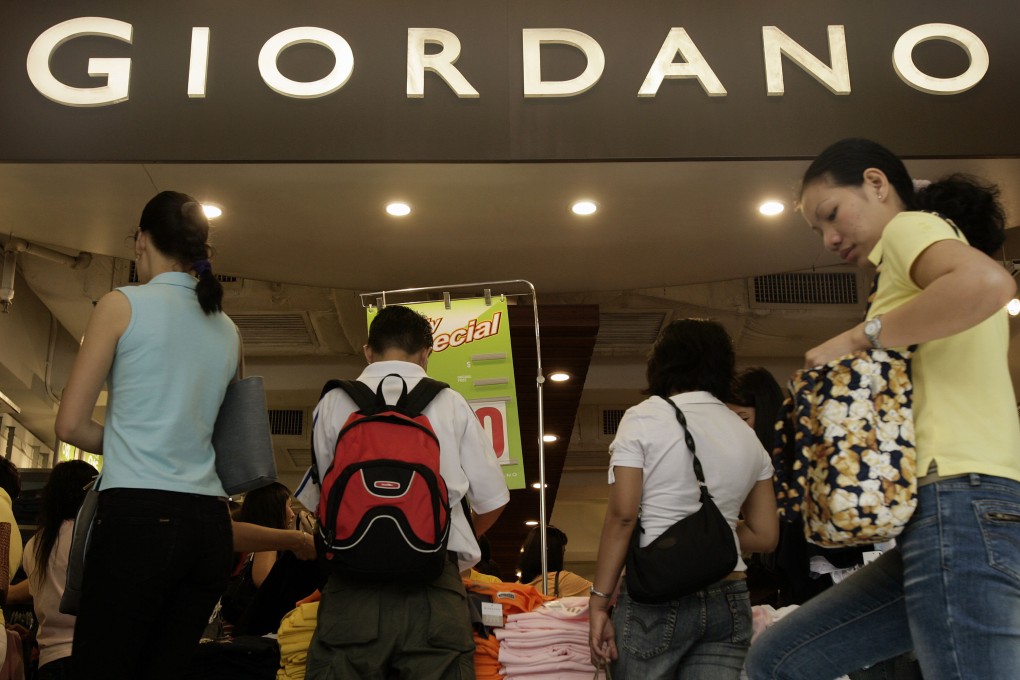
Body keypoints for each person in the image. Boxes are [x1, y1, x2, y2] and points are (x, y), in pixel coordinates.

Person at [745, 138, 1020, 680]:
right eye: (817, 231)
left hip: (958, 501)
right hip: (960, 506)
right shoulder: (935, 267)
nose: (829, 238)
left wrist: (855, 340)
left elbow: (990, 282)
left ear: (877, 184)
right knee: (779, 659)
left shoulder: (909, 229)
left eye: (832, 215)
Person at [55, 190, 241, 680]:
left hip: (139, 519)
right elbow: (230, 440)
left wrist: (126, 440)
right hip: (209, 528)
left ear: (140, 240)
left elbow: (70, 425)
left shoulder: (121, 305)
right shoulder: (229, 330)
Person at [305, 304, 510, 680]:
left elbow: (319, 500)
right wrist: (442, 536)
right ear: (427, 353)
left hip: (352, 585)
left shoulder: (332, 403)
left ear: (369, 350)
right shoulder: (451, 403)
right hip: (434, 582)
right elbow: (494, 499)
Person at [588, 318, 779, 679]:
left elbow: (623, 516)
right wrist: (714, 530)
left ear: (662, 363)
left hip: (658, 593)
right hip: (730, 592)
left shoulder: (644, 418)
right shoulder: (746, 433)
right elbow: (766, 535)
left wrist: (599, 602)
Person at [18, 460, 98, 680]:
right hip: (91, 655)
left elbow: (36, 592)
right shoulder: (93, 538)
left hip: (49, 661)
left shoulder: (35, 544)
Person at [516, 525, 592, 597]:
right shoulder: (563, 580)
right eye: (562, 551)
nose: (565, 550)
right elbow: (599, 594)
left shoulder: (518, 585)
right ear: (556, 552)